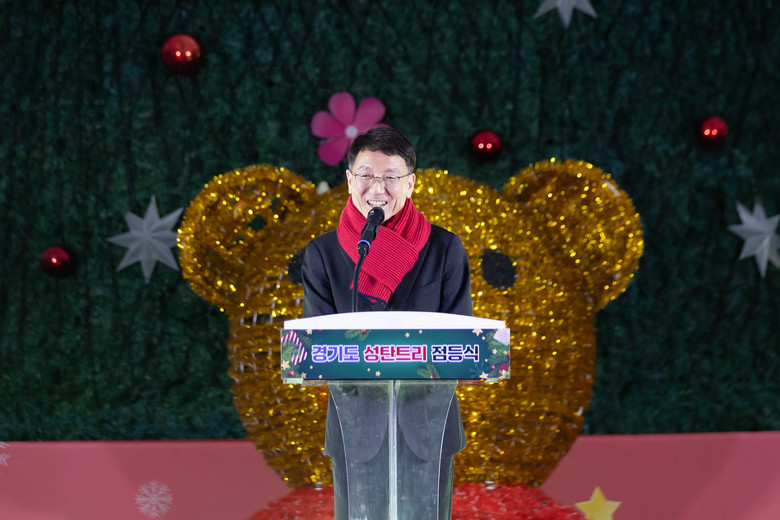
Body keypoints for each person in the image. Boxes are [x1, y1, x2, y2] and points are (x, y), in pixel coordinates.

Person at [301, 127, 472, 519]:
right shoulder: (323, 254)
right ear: (349, 180)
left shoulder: (444, 248)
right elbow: (315, 348)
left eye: (390, 177)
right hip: (355, 428)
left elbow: (464, 342)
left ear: (410, 184)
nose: (377, 188)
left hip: (428, 427)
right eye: (366, 175)